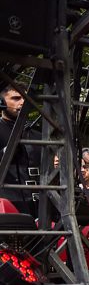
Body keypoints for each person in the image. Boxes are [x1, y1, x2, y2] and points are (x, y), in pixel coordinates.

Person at [0, 84, 38, 216]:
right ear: (2, 103)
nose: (22, 102)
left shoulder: (37, 134)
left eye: (25, 98)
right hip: (8, 204)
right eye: (16, 98)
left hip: (40, 205)